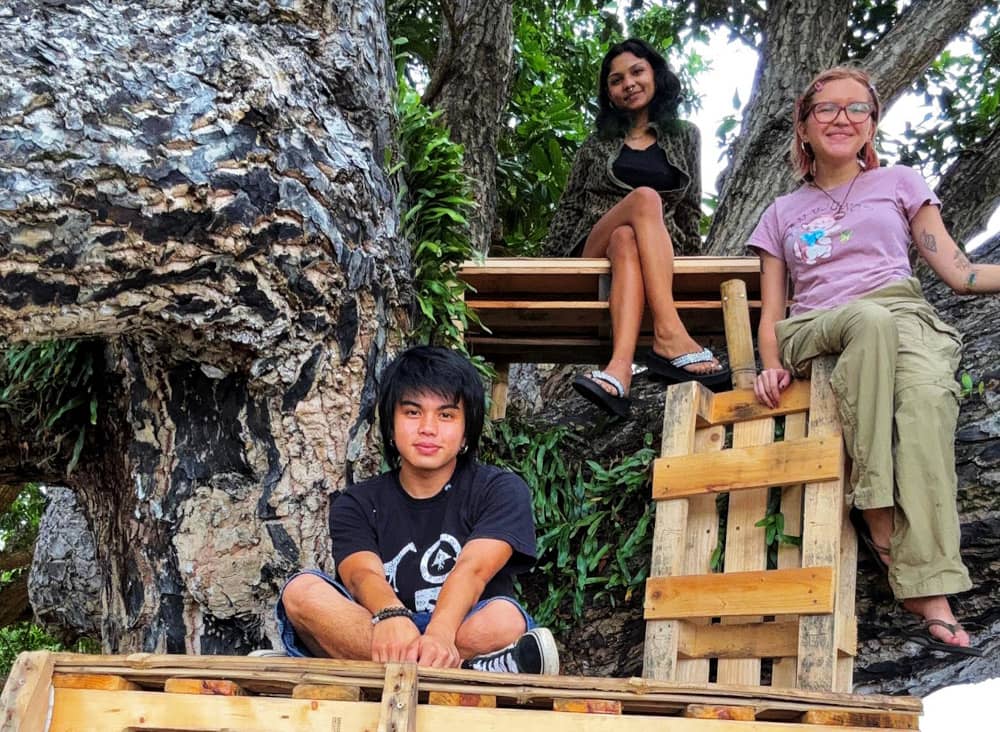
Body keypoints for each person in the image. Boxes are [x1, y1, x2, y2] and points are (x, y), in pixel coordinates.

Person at [750, 66, 1000, 656]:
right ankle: (880, 515)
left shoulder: (901, 183)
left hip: (904, 317)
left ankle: (930, 586)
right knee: (870, 320)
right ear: (804, 127)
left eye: (856, 109)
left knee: (926, 410)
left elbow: (960, 274)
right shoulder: (781, 212)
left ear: (872, 123)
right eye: (827, 109)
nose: (842, 119)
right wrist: (765, 363)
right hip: (817, 326)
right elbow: (771, 308)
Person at [276, 346, 559, 673]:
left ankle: (341, 663)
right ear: (391, 424)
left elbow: (473, 569)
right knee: (301, 592)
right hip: (380, 629)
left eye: (446, 415)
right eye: (412, 412)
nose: (428, 428)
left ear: (467, 430)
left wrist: (440, 633)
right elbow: (360, 575)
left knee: (504, 620)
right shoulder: (357, 502)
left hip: (461, 629)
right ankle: (473, 669)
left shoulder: (500, 490)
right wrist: (391, 616)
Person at [544, 38, 730, 419]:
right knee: (645, 199)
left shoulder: (685, 136)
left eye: (636, 72)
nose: (627, 83)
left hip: (648, 246)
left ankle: (618, 371)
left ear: (655, 77)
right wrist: (545, 264)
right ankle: (669, 332)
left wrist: (693, 263)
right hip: (593, 243)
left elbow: (690, 209)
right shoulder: (595, 146)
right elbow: (569, 207)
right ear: (609, 94)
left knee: (627, 237)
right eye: (616, 79)